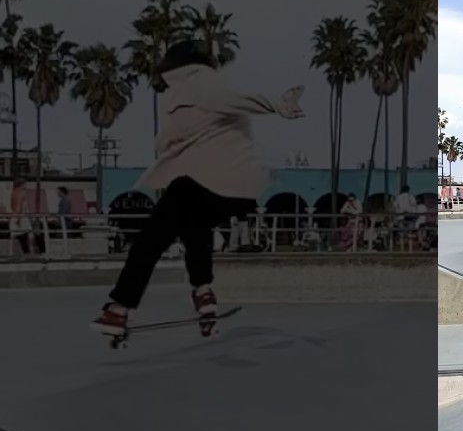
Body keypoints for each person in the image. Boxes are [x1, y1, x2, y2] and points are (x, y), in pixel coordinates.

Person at [90, 40, 304, 339]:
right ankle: (203, 293)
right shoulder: (188, 92)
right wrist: (166, 141)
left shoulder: (197, 83)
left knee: (150, 240)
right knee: (195, 227)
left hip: (209, 180)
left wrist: (278, 105)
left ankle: (119, 308)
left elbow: (235, 100)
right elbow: (183, 130)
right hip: (234, 188)